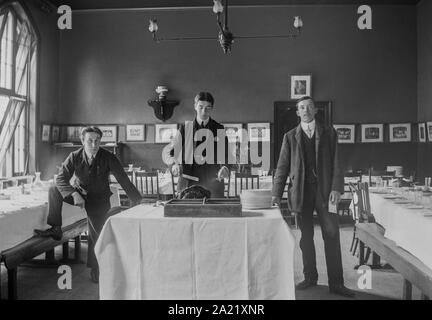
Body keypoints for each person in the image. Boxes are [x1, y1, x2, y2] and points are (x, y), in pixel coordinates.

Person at [34, 126, 143, 283]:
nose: (94, 144)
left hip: (99, 200)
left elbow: (123, 179)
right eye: (90, 141)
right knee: (53, 189)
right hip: (80, 195)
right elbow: (60, 178)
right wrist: (73, 193)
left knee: (96, 235)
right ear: (82, 141)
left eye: (97, 140)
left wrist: (138, 200)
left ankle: (96, 268)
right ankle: (56, 228)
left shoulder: (108, 157)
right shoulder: (74, 156)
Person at [272, 96, 355, 298]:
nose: (306, 110)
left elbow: (337, 162)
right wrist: (276, 194)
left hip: (326, 193)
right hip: (300, 192)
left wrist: (336, 188)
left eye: (309, 106)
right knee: (306, 237)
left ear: (315, 110)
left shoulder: (329, 133)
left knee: (332, 234)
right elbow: (282, 167)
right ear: (298, 112)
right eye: (302, 107)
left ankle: (336, 283)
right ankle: (310, 278)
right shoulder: (290, 136)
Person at [164, 92, 230, 197]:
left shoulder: (219, 129)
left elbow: (226, 155)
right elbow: (171, 153)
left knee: (216, 213)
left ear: (212, 108)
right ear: (195, 106)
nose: (204, 111)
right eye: (201, 107)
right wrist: (174, 165)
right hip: (187, 184)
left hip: (213, 184)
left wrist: (225, 167)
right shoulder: (185, 128)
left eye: (208, 107)